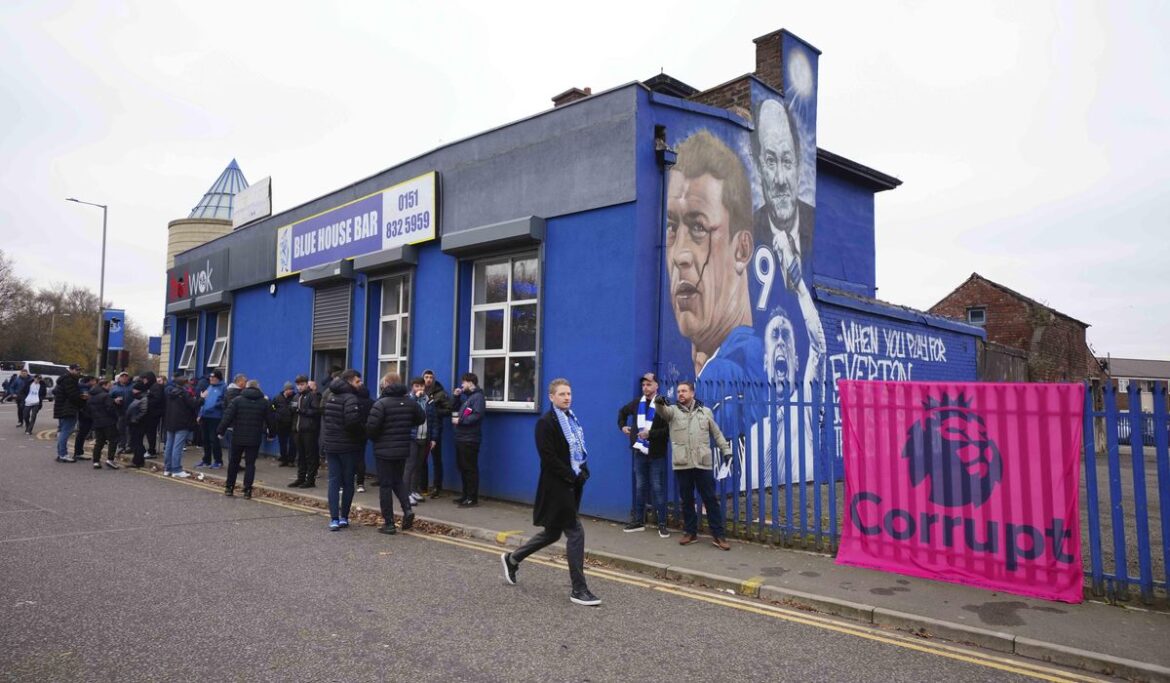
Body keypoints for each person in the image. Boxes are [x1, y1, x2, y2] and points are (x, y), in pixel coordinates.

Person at [666, 131, 768, 438]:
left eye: (698, 227)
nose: (680, 255)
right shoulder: (708, 365)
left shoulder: (729, 371)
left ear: (742, 250)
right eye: (671, 227)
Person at [500, 378, 600, 606]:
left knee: (553, 533)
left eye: (569, 393)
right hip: (556, 487)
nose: (567, 397)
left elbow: (577, 451)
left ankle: (512, 559)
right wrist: (571, 475)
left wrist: (583, 471)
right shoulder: (546, 422)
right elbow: (548, 457)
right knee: (575, 532)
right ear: (551, 397)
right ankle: (579, 589)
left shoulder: (571, 420)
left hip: (571, 484)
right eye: (562, 394)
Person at [654, 380, 733, 550]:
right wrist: (659, 401)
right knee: (687, 500)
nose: (680, 394)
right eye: (678, 392)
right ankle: (690, 533)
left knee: (710, 499)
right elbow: (662, 410)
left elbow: (717, 434)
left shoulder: (705, 413)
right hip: (683, 463)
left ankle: (718, 535)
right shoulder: (672, 412)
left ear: (692, 393)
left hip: (702, 463)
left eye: (684, 391)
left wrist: (726, 451)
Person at [751, 98, 815, 272]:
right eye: (770, 161)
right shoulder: (747, 233)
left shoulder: (817, 225)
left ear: (799, 166)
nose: (780, 180)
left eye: (787, 161)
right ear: (758, 169)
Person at [366, 373, 425, 535]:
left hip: (384, 450)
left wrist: (376, 437)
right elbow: (421, 418)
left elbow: (371, 428)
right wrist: (406, 424)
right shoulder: (409, 402)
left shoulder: (381, 403)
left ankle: (389, 523)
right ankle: (407, 510)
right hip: (402, 448)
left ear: (386, 384)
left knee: (385, 485)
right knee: (398, 481)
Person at [616, 372, 671, 537]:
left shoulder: (664, 403)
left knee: (657, 487)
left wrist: (650, 434)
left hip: (656, 453)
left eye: (649, 384)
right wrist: (623, 426)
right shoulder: (636, 403)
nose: (645, 387)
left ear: (656, 386)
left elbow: (668, 430)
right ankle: (639, 521)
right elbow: (622, 412)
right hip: (639, 451)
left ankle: (662, 524)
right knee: (640, 487)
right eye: (643, 385)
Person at [321, 369, 366, 530]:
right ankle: (344, 517)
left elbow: (327, 419)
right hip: (348, 446)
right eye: (357, 381)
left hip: (331, 444)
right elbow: (352, 423)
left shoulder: (331, 397)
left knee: (333, 481)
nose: (360, 384)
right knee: (348, 482)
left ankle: (333, 518)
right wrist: (363, 432)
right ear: (349, 381)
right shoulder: (351, 398)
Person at [218, 379, 275, 499]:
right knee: (250, 464)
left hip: (238, 436)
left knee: (234, 462)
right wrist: (271, 434)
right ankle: (247, 490)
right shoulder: (264, 403)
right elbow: (271, 420)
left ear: (246, 387)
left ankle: (229, 488)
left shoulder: (237, 400)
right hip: (254, 437)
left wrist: (220, 431)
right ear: (258, 388)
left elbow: (227, 417)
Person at [451, 372, 485, 508]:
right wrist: (456, 396)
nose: (462, 385)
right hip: (461, 437)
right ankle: (465, 495)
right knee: (463, 467)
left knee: (470, 468)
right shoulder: (468, 398)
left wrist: (461, 420)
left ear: (470, 383)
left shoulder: (478, 398)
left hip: (470, 438)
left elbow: (477, 415)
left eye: (464, 382)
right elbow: (454, 408)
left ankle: (472, 498)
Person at [163, 374, 203, 478]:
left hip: (170, 421)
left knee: (169, 446)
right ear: (185, 383)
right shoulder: (185, 393)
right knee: (178, 447)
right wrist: (202, 398)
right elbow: (193, 404)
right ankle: (176, 469)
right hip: (182, 422)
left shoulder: (169, 392)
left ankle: (167, 468)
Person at [422, 369, 451, 498]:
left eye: (430, 377)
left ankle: (437, 487)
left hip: (435, 428)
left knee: (436, 459)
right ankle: (422, 486)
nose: (428, 379)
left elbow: (448, 409)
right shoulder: (420, 392)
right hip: (422, 429)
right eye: (426, 377)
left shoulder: (440, 393)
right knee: (421, 459)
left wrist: (434, 412)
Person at [289, 375, 321, 489]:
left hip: (308, 431)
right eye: (298, 385)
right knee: (301, 456)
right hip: (297, 430)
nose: (299, 387)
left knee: (310, 456)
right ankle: (300, 478)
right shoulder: (296, 397)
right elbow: (292, 410)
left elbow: (316, 411)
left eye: (302, 384)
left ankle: (310, 480)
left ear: (307, 384)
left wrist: (301, 410)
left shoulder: (312, 396)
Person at [52, 364, 84, 462]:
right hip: (68, 409)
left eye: (79, 369)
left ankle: (61, 453)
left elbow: (55, 392)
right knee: (66, 432)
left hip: (62, 408)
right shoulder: (69, 380)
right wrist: (82, 398)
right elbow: (73, 396)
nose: (78, 371)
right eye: (76, 370)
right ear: (70, 370)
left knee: (62, 432)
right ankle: (63, 454)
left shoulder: (63, 380)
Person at [87, 378, 120, 470]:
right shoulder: (106, 396)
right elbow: (110, 409)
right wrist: (115, 416)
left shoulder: (91, 396)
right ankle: (110, 459)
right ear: (104, 385)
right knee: (113, 440)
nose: (111, 387)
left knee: (99, 442)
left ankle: (96, 461)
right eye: (109, 385)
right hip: (108, 422)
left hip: (97, 422)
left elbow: (88, 410)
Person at [405, 377, 429, 505]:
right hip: (412, 437)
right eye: (417, 386)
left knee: (419, 466)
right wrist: (415, 398)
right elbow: (408, 411)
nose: (420, 389)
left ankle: (414, 490)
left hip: (423, 436)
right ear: (412, 387)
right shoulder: (409, 399)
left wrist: (433, 437)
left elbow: (432, 418)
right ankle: (406, 493)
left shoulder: (428, 400)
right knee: (410, 465)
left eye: (422, 386)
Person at [197, 369, 226, 468]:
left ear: (218, 378)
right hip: (205, 416)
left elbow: (225, 402)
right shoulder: (209, 387)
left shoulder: (223, 387)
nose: (211, 379)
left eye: (213, 377)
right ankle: (206, 460)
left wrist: (215, 405)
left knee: (214, 440)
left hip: (215, 417)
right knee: (205, 439)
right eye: (210, 377)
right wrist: (200, 414)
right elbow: (204, 401)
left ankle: (218, 461)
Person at [271, 382, 297, 467]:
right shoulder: (278, 398)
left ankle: (291, 460)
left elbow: (295, 409)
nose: (291, 391)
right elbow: (272, 406)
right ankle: (284, 459)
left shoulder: (295, 398)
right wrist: (276, 413)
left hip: (292, 424)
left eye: (292, 389)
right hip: (280, 424)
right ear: (285, 389)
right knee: (282, 443)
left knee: (292, 443)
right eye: (290, 389)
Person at [110, 372, 134, 454]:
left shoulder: (132, 386)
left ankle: (129, 446)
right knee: (120, 429)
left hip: (131, 412)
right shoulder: (114, 387)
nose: (124, 378)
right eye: (122, 376)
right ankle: (121, 445)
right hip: (119, 412)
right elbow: (108, 398)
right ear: (119, 378)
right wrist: (114, 400)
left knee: (130, 430)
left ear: (128, 378)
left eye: (126, 376)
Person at [73, 375, 95, 460]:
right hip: (85, 412)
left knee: (82, 433)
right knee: (82, 433)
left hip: (84, 412)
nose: (94, 383)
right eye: (93, 381)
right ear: (90, 381)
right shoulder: (85, 388)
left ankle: (79, 452)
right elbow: (85, 398)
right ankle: (78, 452)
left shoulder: (82, 387)